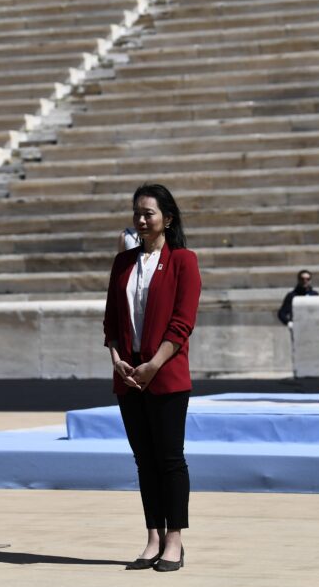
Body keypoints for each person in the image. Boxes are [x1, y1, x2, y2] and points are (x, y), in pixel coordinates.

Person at [103, 184, 201, 573]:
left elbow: (182, 323)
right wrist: (117, 358)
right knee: (144, 460)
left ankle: (175, 538)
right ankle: (153, 536)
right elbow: (111, 319)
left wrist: (153, 364)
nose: (142, 220)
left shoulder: (183, 261)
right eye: (137, 214)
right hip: (128, 376)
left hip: (165, 375)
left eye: (149, 214)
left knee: (169, 459)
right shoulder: (122, 262)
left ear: (167, 219)